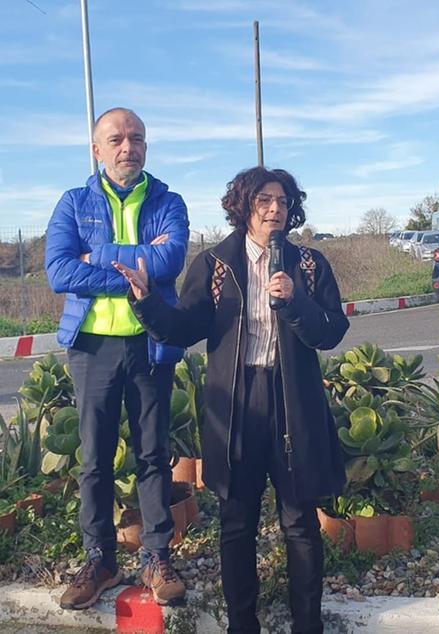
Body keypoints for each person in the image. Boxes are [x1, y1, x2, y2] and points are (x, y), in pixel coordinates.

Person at [114, 166, 349, 634]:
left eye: (282, 202)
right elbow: (184, 328)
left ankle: (308, 625)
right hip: (237, 404)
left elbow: (331, 331)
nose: (275, 210)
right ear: (244, 207)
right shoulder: (215, 266)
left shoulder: (307, 265)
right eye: (264, 201)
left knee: (300, 524)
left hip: (293, 402)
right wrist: (146, 302)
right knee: (237, 524)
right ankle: (243, 625)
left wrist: (297, 302)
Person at [44, 107, 189, 609]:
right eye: (117, 139)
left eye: (138, 139)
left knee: (152, 456)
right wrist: (134, 264)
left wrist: (97, 257)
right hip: (92, 348)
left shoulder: (168, 200)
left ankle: (155, 557)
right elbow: (60, 272)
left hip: (150, 344)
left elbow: (169, 262)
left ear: (146, 146)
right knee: (95, 460)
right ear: (97, 149)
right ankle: (99, 560)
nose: (128, 147)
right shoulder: (73, 202)